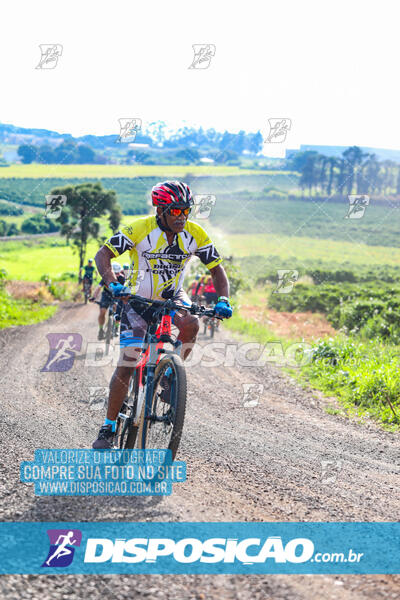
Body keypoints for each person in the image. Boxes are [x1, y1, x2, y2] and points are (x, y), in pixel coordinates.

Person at [92, 180, 233, 449]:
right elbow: (103, 255)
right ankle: (109, 427)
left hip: (173, 296)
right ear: (161, 210)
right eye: (176, 211)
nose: (182, 217)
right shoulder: (139, 229)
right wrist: (112, 284)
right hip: (136, 299)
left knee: (191, 324)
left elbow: (217, 269)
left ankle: (169, 375)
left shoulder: (195, 234)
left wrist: (224, 299)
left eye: (186, 211)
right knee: (127, 362)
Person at [91, 262, 125, 340]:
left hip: (117, 296)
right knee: (102, 312)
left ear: (120, 272)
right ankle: (101, 330)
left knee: (117, 309)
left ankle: (116, 328)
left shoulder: (122, 279)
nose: (116, 275)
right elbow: (98, 288)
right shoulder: (105, 277)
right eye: (114, 273)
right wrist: (93, 297)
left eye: (118, 273)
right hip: (106, 295)